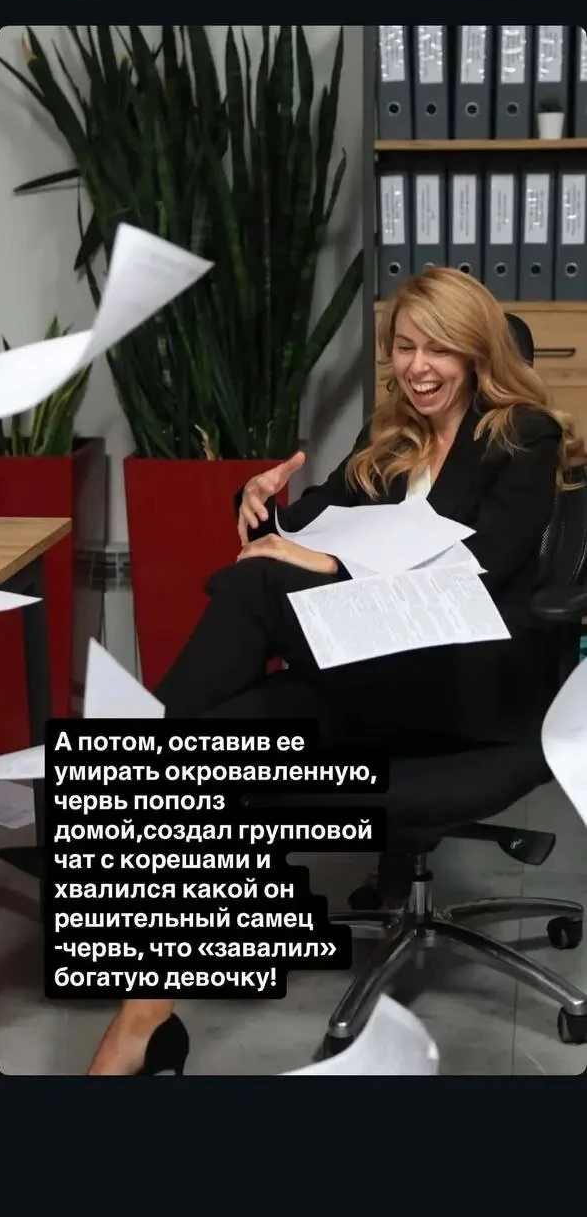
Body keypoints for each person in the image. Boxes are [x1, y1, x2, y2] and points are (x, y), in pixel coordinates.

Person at [87, 266, 587, 1075]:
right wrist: (261, 503)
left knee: (255, 588)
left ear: (476, 352)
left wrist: (319, 562)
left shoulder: (521, 436)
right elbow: (311, 522)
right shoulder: (390, 437)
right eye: (404, 347)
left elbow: (482, 566)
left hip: (476, 680)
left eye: (439, 349)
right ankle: (145, 1021)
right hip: (376, 668)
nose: (418, 367)